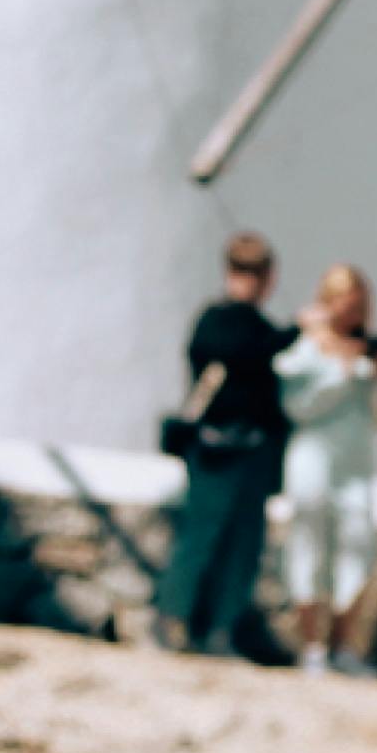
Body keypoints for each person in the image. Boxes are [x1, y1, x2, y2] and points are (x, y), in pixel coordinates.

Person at [154, 233, 292, 662]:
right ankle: (172, 621)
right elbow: (234, 353)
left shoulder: (263, 329)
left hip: (253, 453)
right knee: (201, 536)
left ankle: (220, 631)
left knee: (244, 547)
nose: (250, 281)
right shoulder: (217, 322)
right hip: (215, 451)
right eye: (243, 272)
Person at [269, 264, 377, 674]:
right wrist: (342, 373)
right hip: (312, 460)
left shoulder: (367, 354)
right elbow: (297, 407)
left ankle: (344, 647)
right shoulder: (306, 349)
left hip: (355, 466)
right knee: (308, 546)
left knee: (358, 548)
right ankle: (312, 647)